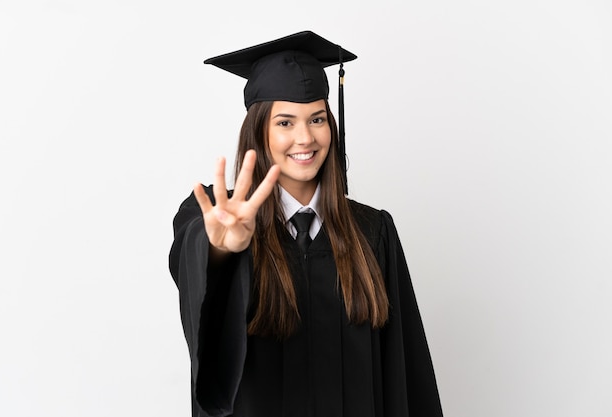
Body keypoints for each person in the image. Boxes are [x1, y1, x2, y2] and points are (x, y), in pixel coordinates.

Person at [169, 31, 443, 417]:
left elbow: (404, 367)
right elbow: (202, 299)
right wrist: (224, 253)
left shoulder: (372, 230)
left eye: (317, 119)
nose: (305, 137)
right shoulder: (216, 214)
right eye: (285, 122)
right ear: (259, 131)